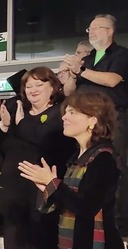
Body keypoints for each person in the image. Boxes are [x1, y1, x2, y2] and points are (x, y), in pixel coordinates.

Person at [18, 91, 125, 249]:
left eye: (72, 112)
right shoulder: (77, 157)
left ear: (93, 120)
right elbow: (68, 202)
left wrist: (53, 184)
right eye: (66, 111)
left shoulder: (104, 160)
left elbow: (86, 207)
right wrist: (49, 187)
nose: (64, 116)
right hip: (76, 248)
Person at [0, 66, 77, 249]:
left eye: (39, 85)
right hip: (15, 196)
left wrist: (19, 122)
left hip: (41, 194)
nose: (32, 90)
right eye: (28, 86)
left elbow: (43, 139)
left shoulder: (57, 114)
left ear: (53, 88)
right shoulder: (20, 117)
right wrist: (5, 125)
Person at [63, 14, 128, 234]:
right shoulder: (88, 60)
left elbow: (112, 80)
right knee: (84, 166)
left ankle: (117, 223)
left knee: (112, 166)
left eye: (95, 28)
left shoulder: (121, 54)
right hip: (84, 122)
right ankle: (82, 209)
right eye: (88, 29)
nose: (90, 32)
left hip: (112, 120)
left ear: (109, 31)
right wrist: (71, 74)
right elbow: (69, 92)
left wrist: (81, 70)